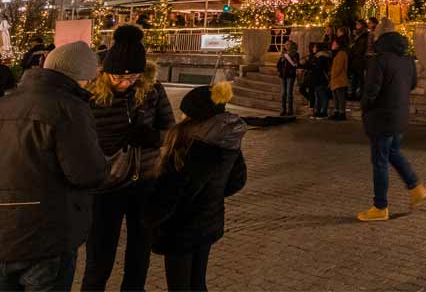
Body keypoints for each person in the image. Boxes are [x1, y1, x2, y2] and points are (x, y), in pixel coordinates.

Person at [0, 41, 107, 292]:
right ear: (81, 76)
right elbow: (87, 174)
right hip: (46, 235)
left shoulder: (5, 103)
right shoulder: (69, 108)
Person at [82, 24, 176, 292]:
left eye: (132, 77)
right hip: (106, 183)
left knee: (140, 246)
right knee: (100, 249)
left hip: (144, 180)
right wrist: (112, 142)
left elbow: (170, 133)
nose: (124, 83)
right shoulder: (90, 95)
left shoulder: (153, 91)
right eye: (118, 77)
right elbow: (82, 139)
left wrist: (153, 138)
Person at [145, 82, 247, 292]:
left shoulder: (189, 145)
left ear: (195, 116)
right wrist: (213, 194)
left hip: (181, 229)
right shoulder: (227, 139)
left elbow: (170, 194)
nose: (181, 116)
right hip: (208, 222)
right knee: (198, 282)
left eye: (185, 113)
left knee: (179, 285)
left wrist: (148, 218)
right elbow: (237, 180)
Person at [356, 21, 426, 221]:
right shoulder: (407, 59)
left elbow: (371, 91)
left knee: (380, 161)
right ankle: (415, 187)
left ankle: (380, 207)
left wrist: (364, 106)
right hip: (399, 116)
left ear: (379, 38)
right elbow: (412, 83)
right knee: (394, 152)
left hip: (381, 117)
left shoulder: (379, 60)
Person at [305, 43, 332, 118]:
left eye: (315, 47)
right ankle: (318, 111)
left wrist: (312, 63)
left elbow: (319, 69)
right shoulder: (316, 57)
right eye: (313, 47)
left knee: (323, 96)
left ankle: (324, 112)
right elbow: (310, 66)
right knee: (318, 96)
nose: (313, 49)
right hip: (316, 79)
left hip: (320, 79)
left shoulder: (321, 57)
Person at [275, 40, 300, 117]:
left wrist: (290, 59)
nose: (286, 46)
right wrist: (279, 70)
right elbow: (278, 64)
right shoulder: (283, 54)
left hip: (290, 75)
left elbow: (296, 64)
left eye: (288, 44)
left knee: (289, 93)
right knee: (283, 93)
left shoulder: (295, 54)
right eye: (285, 44)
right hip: (283, 75)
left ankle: (290, 110)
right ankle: (283, 109)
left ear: (291, 46)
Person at [329, 37, 350, 121]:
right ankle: (336, 112)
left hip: (339, 80)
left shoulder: (341, 54)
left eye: (334, 44)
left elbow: (339, 68)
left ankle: (342, 113)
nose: (332, 45)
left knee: (340, 98)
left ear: (338, 45)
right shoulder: (336, 54)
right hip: (335, 80)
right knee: (336, 98)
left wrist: (332, 76)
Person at [349, 19, 370, 100]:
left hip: (361, 59)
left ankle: (361, 94)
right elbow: (351, 45)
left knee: (361, 78)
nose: (356, 26)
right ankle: (353, 94)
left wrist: (354, 50)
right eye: (356, 24)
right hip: (354, 59)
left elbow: (362, 47)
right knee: (354, 77)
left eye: (358, 24)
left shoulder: (365, 34)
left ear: (362, 25)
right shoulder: (355, 35)